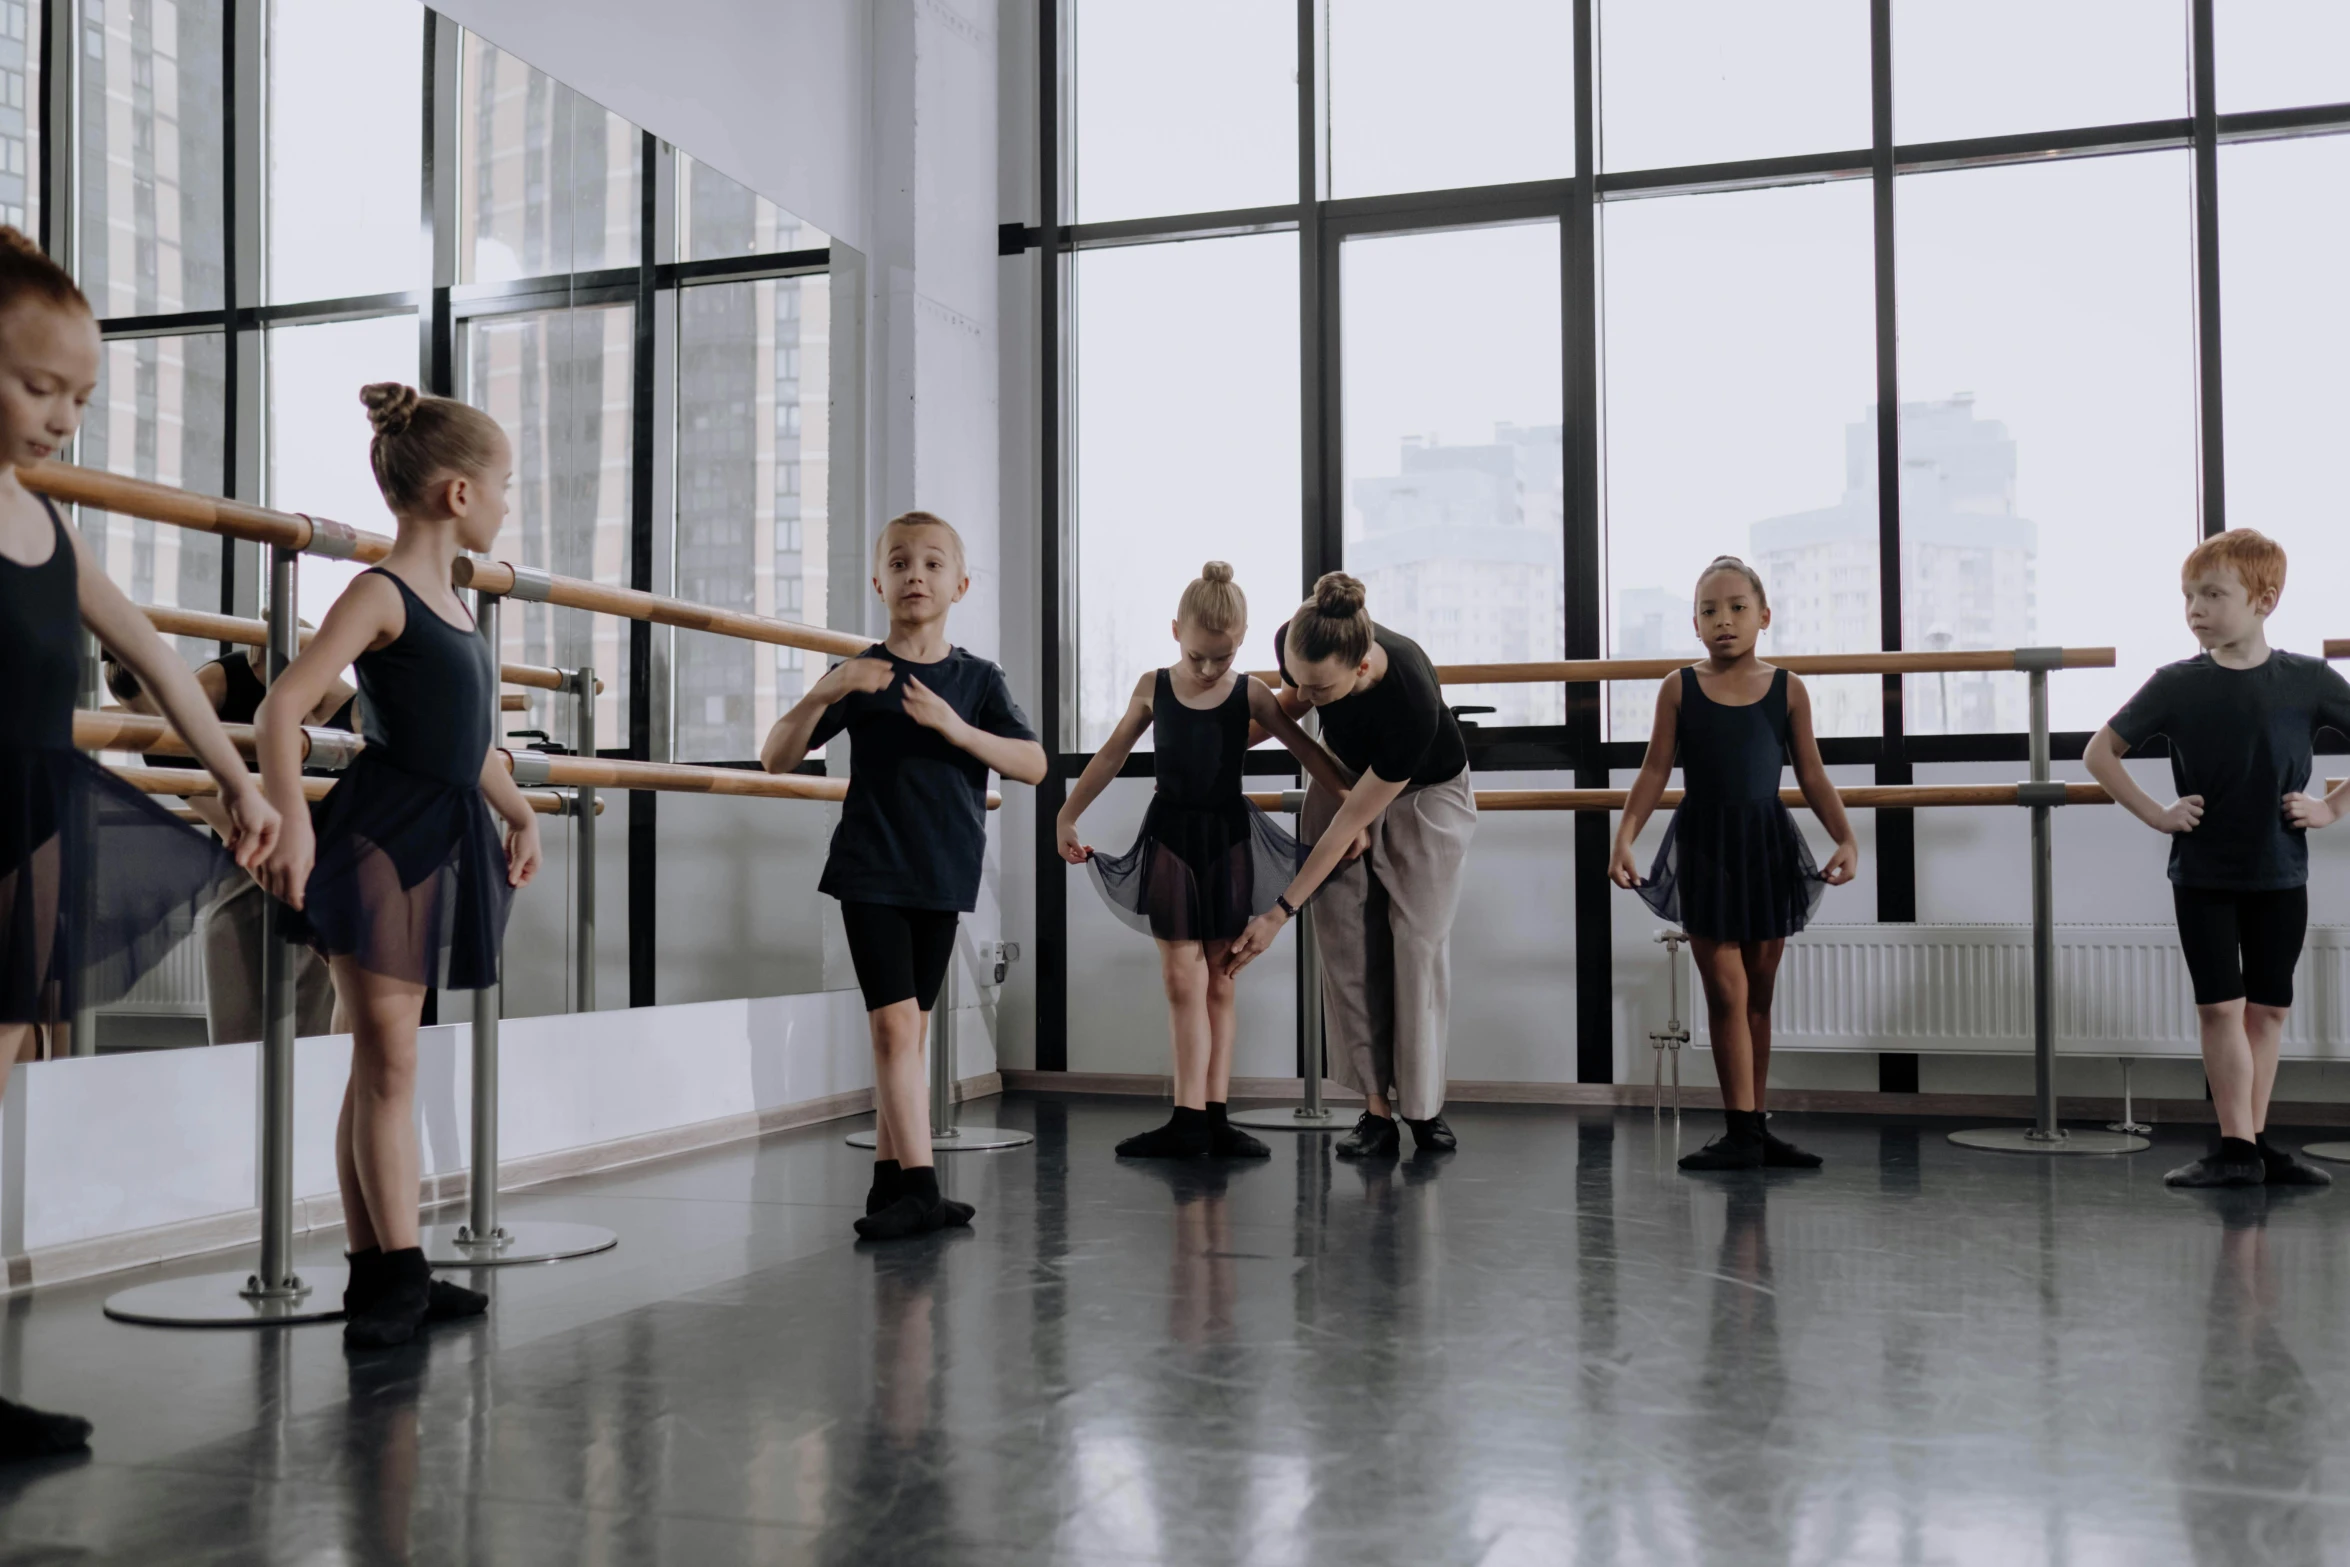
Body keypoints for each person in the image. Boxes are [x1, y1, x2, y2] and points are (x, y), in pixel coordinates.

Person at [0, 226, 281, 1454]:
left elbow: (161, 659)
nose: (62, 417)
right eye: (35, 386)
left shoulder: (45, 519)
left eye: (79, 397)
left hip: (37, 824)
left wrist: (239, 780)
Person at [256, 381, 542, 1349]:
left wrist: (519, 809)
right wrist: (292, 821)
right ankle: (391, 1280)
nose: (509, 503)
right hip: (381, 841)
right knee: (390, 1061)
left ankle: (387, 1268)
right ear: (459, 494)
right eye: (504, 485)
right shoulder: (378, 592)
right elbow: (281, 708)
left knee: (382, 1065)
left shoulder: (455, 607)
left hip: (442, 835)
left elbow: (473, 747)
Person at [759, 510, 1047, 1241]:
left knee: (910, 1033)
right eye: (900, 562)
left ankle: (890, 1182)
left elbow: (1035, 764)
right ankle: (921, 1188)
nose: (915, 574)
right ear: (879, 579)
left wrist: (956, 727)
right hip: (872, 869)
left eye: (931, 563)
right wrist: (828, 690)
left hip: (943, 870)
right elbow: (776, 756)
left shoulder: (977, 679)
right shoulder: (861, 673)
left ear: (960, 583)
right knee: (893, 1026)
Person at [1057, 562, 1352, 1159]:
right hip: (1169, 834)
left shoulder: (1252, 693)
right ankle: (1186, 1116)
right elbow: (1113, 753)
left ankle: (1214, 1116)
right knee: (1179, 978)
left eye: (1223, 656)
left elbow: (1305, 748)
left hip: (1228, 837)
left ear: (1240, 643)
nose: (1211, 668)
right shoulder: (1152, 686)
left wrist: (1353, 806)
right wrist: (1067, 814)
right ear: (1175, 632)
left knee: (1221, 978)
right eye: (1199, 656)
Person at [2084, 529, 2350, 1190]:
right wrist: (2158, 813)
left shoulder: (2307, 679)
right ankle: (2233, 1147)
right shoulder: (2176, 684)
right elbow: (2099, 753)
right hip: (2204, 874)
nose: (2195, 608)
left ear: (2264, 599)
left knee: (2270, 1010)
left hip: (2282, 871)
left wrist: (2331, 807)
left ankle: (2256, 1145)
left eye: (2212, 594)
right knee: (2220, 1007)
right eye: (2188, 596)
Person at [1608, 556, 1857, 1173]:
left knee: (1759, 996)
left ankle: (1754, 1127)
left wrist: (1847, 838)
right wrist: (1625, 838)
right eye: (1710, 611)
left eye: (1738, 608)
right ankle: (1739, 1129)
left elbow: (1812, 773)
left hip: (1767, 844)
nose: (1725, 621)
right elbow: (1655, 771)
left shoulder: (1788, 689)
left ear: (1764, 616)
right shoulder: (1679, 687)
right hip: (1707, 846)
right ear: (1694, 624)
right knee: (1726, 989)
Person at [1222, 572, 1476, 1160]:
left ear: (1361, 668)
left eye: (1322, 691)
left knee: (1416, 946)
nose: (1308, 697)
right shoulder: (1305, 639)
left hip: (1425, 792)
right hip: (1345, 773)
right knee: (1345, 944)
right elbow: (1287, 705)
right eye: (1302, 682)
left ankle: (1423, 1109)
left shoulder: (1409, 696)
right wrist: (1210, 743)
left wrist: (1280, 912)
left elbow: (1347, 827)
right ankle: (1376, 1112)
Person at [104, 637, 355, 1042]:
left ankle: (310, 1092)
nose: (172, 731)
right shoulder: (165, 742)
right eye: (157, 721)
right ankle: (239, 1091)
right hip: (257, 860)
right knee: (229, 961)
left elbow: (348, 703)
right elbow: (236, 832)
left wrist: (294, 649)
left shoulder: (258, 670)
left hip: (330, 847)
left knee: (312, 1011)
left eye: (171, 714)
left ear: (182, 685)